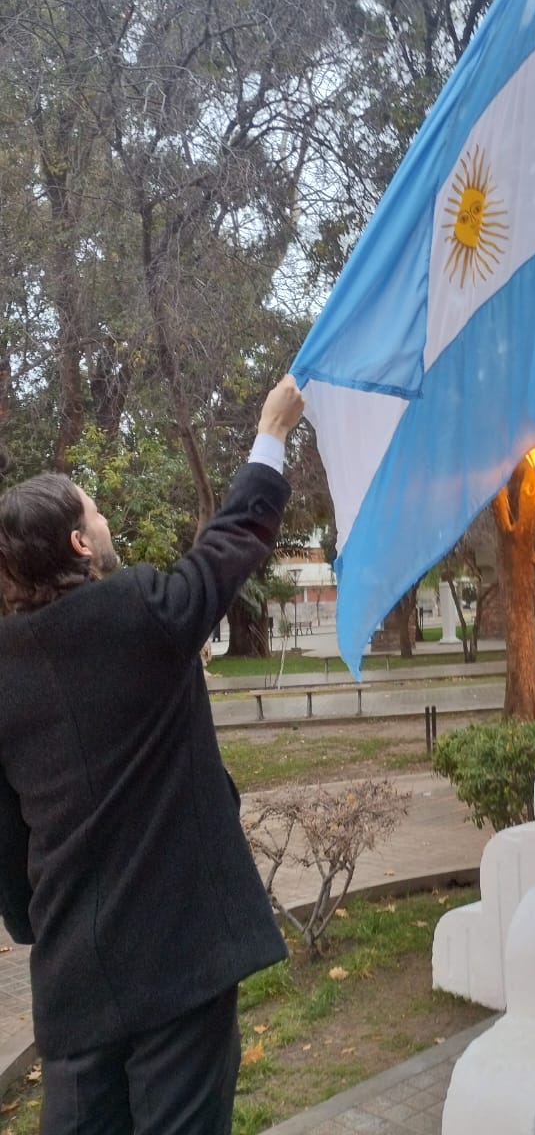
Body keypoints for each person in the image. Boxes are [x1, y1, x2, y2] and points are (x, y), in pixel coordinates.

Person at [0, 374, 305, 1134]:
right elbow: (231, 544)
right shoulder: (140, 609)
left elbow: (7, 835)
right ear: (79, 543)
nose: (103, 519)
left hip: (73, 975)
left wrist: (38, 918)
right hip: (179, 961)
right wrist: (272, 430)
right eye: (94, 510)